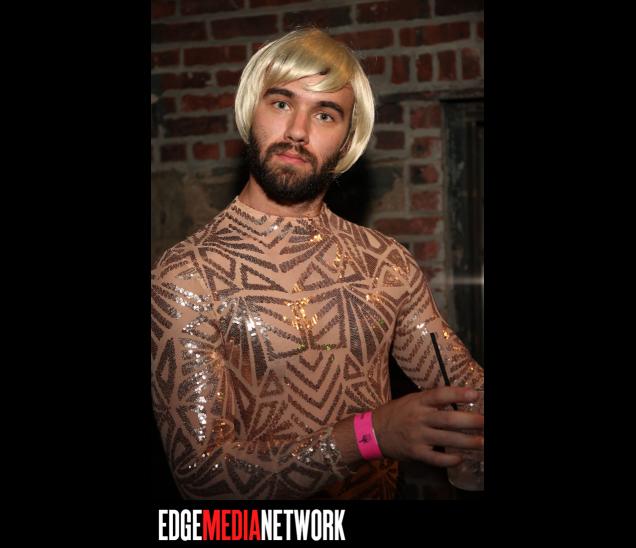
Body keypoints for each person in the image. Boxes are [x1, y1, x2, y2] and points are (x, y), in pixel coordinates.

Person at [150, 27, 484, 500]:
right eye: (281, 103)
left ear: (348, 139)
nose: (297, 131)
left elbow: (464, 388)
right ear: (250, 111)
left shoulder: (384, 262)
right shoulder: (188, 274)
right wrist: (369, 436)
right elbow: (200, 474)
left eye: (325, 114)